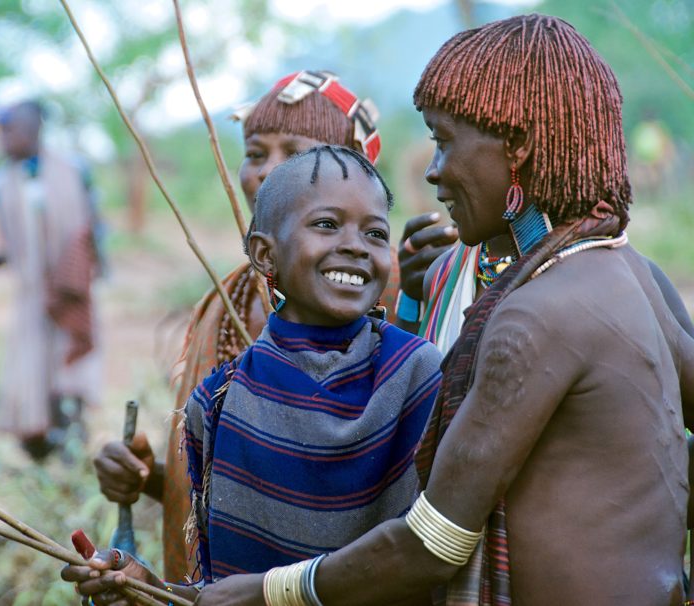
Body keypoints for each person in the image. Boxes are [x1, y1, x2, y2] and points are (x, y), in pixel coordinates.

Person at [83, 14, 692, 605]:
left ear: (518, 149)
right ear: (265, 251)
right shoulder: (634, 275)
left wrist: (267, 592)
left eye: (444, 143)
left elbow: (432, 541)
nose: (433, 171)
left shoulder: (533, 317)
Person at [62, 144, 443, 603]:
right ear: (265, 253)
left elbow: (427, 555)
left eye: (375, 233)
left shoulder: (418, 375)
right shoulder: (220, 401)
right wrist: (148, 589)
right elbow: (224, 594)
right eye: (326, 225)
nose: (355, 246)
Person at [92, 71, 405, 582]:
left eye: (295, 153)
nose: (267, 172)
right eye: (256, 152)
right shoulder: (226, 300)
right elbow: (231, 481)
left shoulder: (392, 295)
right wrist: (149, 476)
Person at [0, 100, 103, 461]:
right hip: (32, 298)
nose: (2, 139)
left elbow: (93, 229)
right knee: (32, 375)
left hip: (72, 291)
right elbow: (8, 249)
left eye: (9, 130)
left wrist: (85, 274)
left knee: (71, 370)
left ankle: (71, 452)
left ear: (32, 131)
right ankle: (38, 454)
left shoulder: (73, 171)